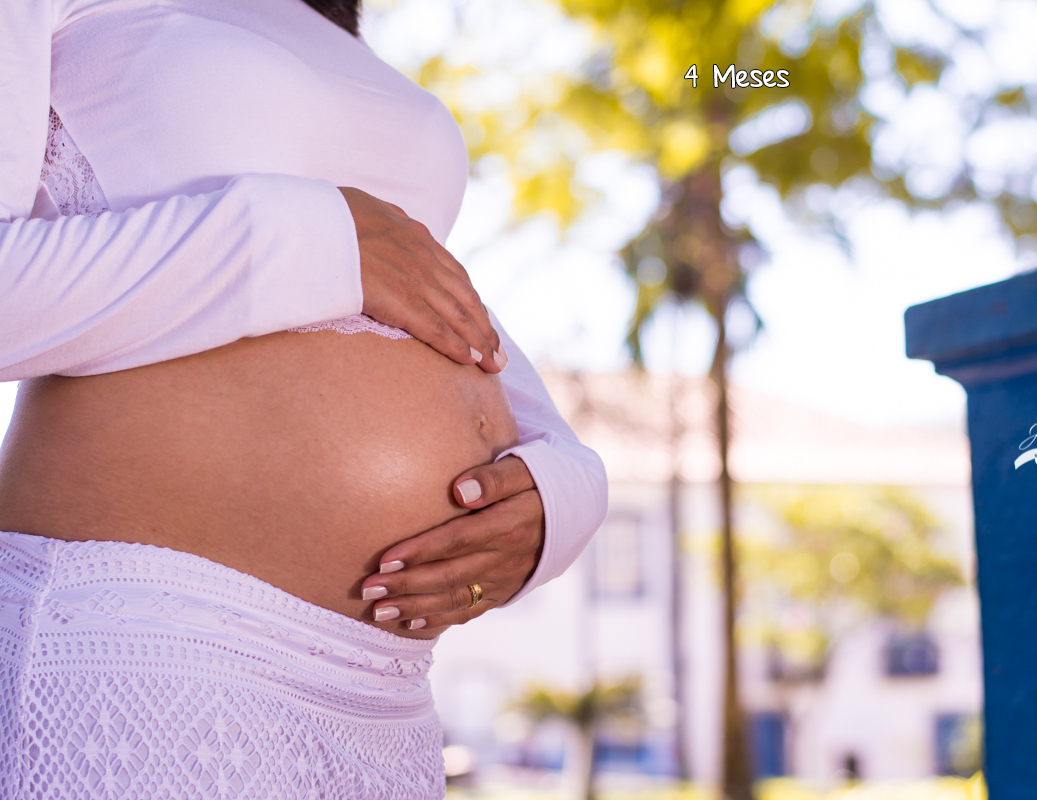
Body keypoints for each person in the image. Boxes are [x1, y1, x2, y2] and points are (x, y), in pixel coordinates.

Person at [0, 0, 608, 797]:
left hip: (387, 691)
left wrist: (561, 490)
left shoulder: (339, 34)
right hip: (147, 634)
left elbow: (421, 290)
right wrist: (313, 236)